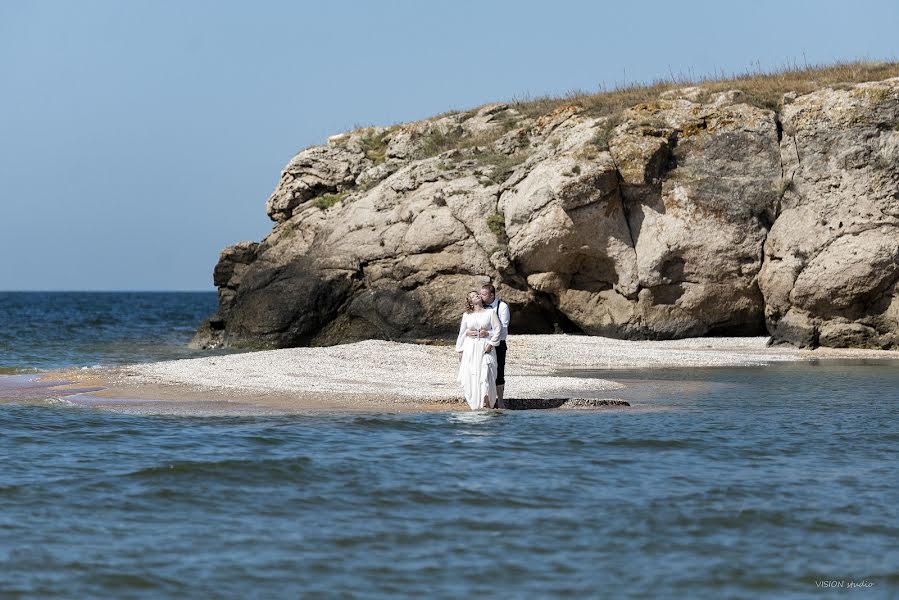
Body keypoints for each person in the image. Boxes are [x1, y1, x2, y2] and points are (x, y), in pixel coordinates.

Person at [456, 290, 501, 410]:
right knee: (472, 374)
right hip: (471, 347)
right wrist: (460, 350)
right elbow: (462, 333)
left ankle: (486, 401)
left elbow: (498, 330)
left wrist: (491, 342)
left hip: (486, 346)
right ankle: (476, 403)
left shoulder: (490, 312)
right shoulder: (467, 315)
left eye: (477, 294)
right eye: (473, 296)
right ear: (470, 301)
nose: (476, 296)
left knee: (487, 371)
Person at [479, 284, 510, 408]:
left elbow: (503, 330)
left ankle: (500, 401)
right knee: (483, 371)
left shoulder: (502, 307)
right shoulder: (479, 306)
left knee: (499, 372)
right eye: (480, 294)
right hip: (481, 343)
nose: (481, 296)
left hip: (499, 344)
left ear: (492, 295)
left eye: (484, 294)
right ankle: (485, 400)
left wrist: (489, 333)